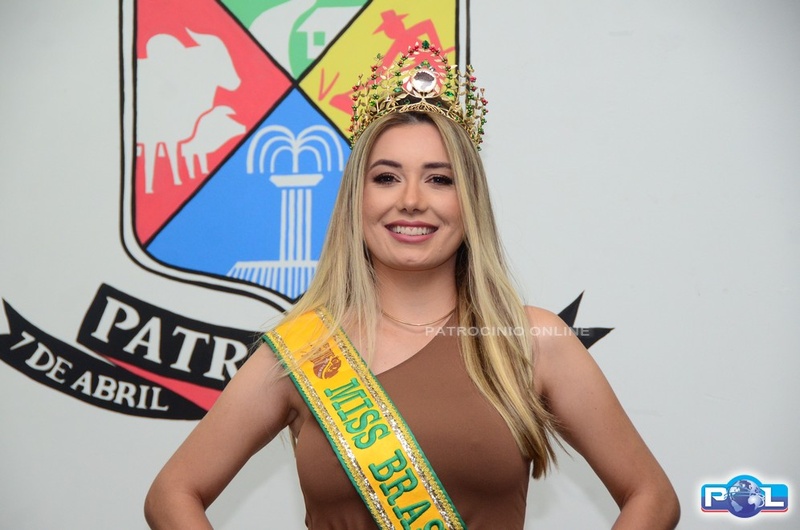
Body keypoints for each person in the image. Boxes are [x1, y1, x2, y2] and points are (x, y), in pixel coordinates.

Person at [144, 43, 680, 529]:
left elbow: (652, 496)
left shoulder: (531, 340)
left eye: (439, 179)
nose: (411, 200)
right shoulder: (305, 349)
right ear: (356, 200)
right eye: (386, 177)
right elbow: (172, 494)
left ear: (469, 203)